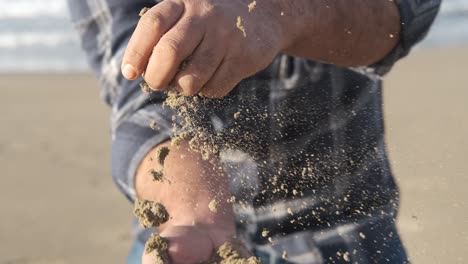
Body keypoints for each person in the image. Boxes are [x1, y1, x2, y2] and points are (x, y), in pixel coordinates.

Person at [68, 0, 440, 263]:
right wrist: (192, 209)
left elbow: (404, 17)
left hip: (352, 232)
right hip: (185, 234)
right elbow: (138, 94)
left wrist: (276, 14)